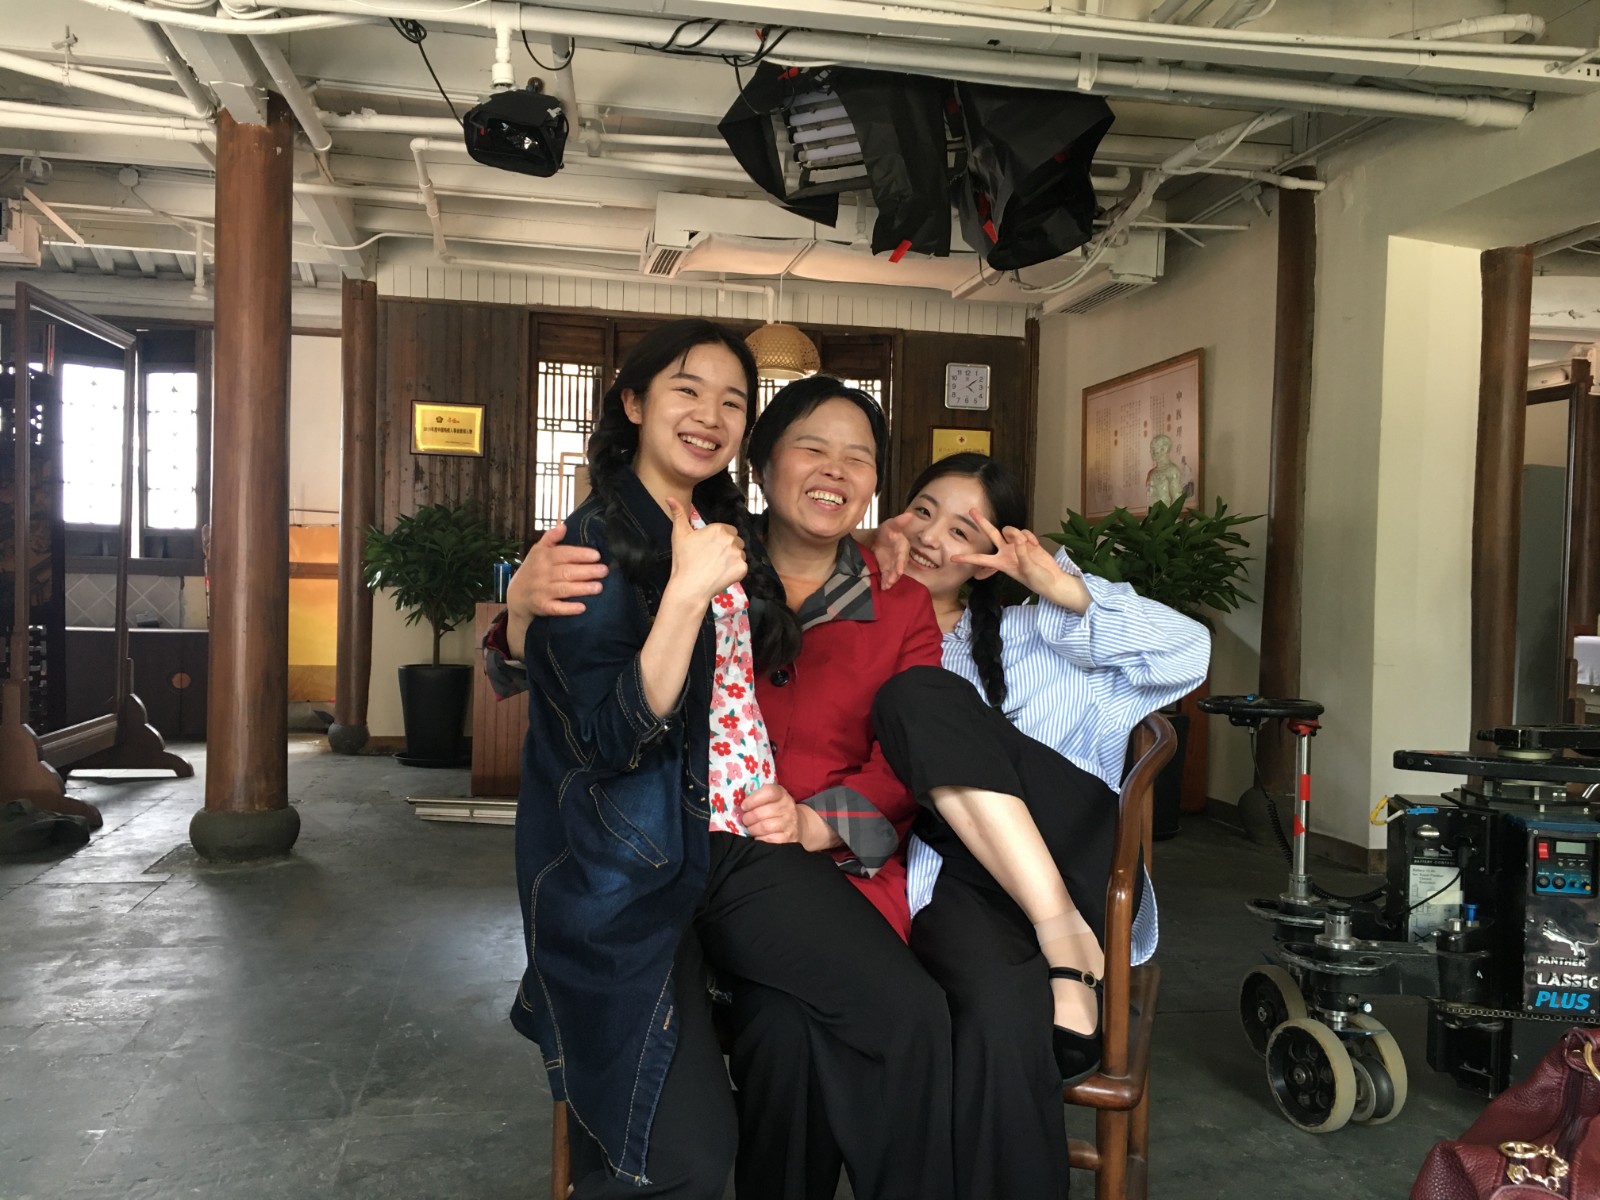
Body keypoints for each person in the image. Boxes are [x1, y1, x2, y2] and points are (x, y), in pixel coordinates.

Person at [488, 350, 954, 1200]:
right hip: (653, 855)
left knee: (856, 1024)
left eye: (858, 459)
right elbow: (588, 695)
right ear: (762, 464)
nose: (835, 471)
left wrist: (823, 819)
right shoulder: (686, 549)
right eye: (812, 448)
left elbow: (911, 755)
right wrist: (515, 618)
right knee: (686, 1145)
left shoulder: (875, 587)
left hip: (788, 860)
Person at [870, 451, 1210, 1199]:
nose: (930, 537)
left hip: (1071, 850)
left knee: (919, 696)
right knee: (995, 1011)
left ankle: (1063, 932)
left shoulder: (1039, 630)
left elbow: (1189, 652)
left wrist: (1060, 587)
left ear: (990, 557)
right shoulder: (862, 630)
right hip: (963, 878)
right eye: (922, 511)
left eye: (962, 530)